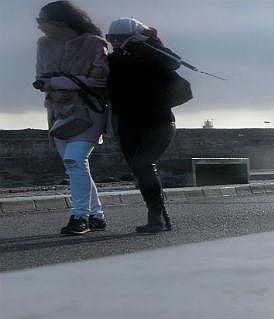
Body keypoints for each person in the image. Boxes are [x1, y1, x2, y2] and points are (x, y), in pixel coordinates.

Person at [33, 1, 108, 235]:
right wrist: (63, 82)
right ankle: (97, 215)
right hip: (57, 112)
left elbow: (100, 80)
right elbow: (40, 78)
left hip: (88, 110)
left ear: (60, 22)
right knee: (76, 166)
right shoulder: (44, 45)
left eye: (41, 22)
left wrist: (57, 82)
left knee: (74, 160)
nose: (39, 27)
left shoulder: (95, 44)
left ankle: (79, 217)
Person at [106, 18, 180, 233]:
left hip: (159, 121)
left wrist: (146, 43)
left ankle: (155, 217)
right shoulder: (114, 60)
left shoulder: (152, 54)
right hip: (128, 123)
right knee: (140, 169)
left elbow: (173, 62)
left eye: (120, 37)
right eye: (112, 38)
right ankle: (156, 214)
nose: (115, 42)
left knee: (142, 164)